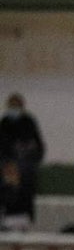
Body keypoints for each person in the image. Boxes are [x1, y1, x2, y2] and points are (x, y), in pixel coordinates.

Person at [0, 93, 45, 223]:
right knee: (9, 192)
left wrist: (29, 160)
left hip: (26, 166)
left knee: (24, 193)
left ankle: (23, 218)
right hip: (7, 164)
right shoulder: (4, 123)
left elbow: (37, 146)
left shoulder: (28, 122)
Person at [0, 157, 34, 231]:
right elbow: (5, 203)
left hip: (22, 218)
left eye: (12, 171)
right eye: (8, 172)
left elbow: (29, 203)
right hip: (8, 218)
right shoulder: (4, 188)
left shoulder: (24, 187)